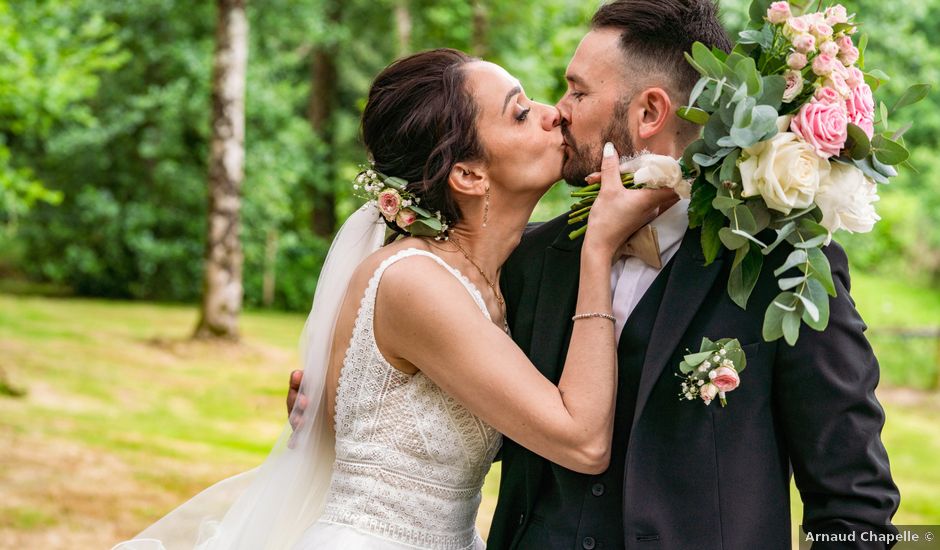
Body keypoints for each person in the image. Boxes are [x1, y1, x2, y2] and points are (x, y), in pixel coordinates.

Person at [285, 1, 900, 549]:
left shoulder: (781, 274)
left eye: (577, 92)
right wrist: (334, 393)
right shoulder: (518, 265)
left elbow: (857, 506)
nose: (558, 111)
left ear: (650, 111)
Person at [114, 48, 676, 550]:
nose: (554, 111)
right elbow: (580, 441)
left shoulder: (499, 281)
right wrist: (598, 249)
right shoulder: (415, 282)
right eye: (520, 112)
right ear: (468, 173)